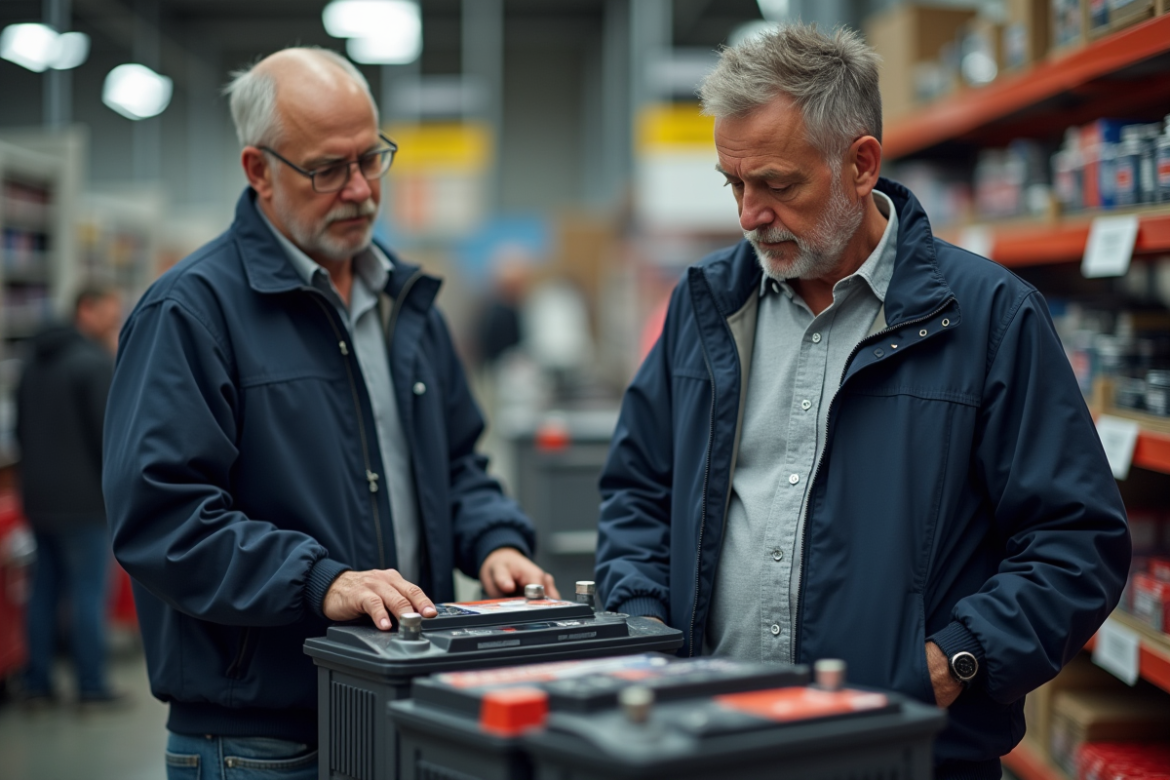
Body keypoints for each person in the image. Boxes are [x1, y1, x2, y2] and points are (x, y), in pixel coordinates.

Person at [594, 25, 1130, 780]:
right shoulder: (708, 305)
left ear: (860, 164)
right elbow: (638, 491)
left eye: (777, 185)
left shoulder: (990, 319)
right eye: (734, 184)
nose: (749, 214)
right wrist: (646, 624)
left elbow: (1076, 544)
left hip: (903, 755)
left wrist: (953, 661)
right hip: (708, 743)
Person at [103, 47, 555, 779]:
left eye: (371, 159)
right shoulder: (190, 314)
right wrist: (319, 581)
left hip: (404, 696)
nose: (359, 191)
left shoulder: (406, 306)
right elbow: (164, 520)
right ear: (259, 171)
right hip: (262, 738)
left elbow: (457, 465)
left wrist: (494, 541)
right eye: (327, 170)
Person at [16, 285, 123, 708]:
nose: (114, 323)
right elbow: (108, 439)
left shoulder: (33, 361)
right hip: (83, 502)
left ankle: (38, 682)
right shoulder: (94, 364)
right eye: (110, 314)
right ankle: (91, 685)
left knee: (43, 590)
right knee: (88, 592)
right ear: (86, 308)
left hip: (39, 499)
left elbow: (22, 429)